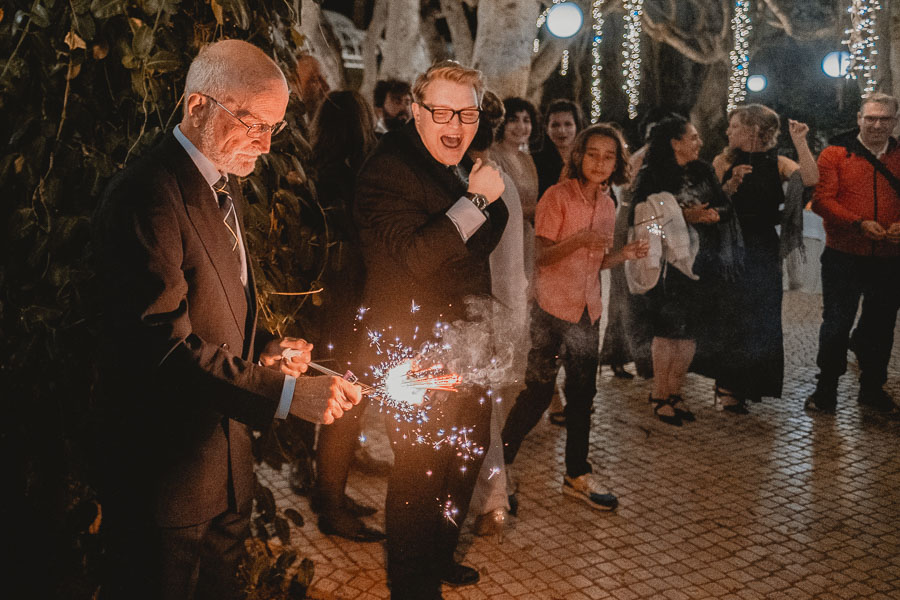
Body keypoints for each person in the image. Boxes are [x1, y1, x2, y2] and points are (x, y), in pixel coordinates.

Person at [92, 40, 362, 600]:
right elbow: (163, 349)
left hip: (227, 473)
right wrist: (287, 396)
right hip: (166, 481)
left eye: (276, 128)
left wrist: (263, 345)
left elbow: (215, 302)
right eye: (252, 123)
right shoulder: (146, 196)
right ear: (197, 106)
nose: (265, 145)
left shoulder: (222, 178)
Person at [353, 61, 508, 599]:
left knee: (467, 453)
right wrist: (478, 200)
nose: (456, 123)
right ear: (416, 111)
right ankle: (412, 587)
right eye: (441, 111)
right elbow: (420, 257)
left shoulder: (456, 162)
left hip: (465, 343)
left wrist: (477, 200)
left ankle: (438, 558)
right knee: (421, 475)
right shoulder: (389, 167)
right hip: (415, 352)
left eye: (466, 113)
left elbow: (481, 241)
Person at [501, 124, 649, 514]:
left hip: (587, 311)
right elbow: (543, 256)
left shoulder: (607, 203)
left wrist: (625, 255)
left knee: (584, 396)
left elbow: (597, 261)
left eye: (609, 156)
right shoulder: (557, 196)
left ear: (617, 163)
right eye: (593, 154)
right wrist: (580, 240)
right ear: (579, 156)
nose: (600, 162)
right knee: (536, 393)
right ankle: (498, 464)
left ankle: (576, 474)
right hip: (550, 310)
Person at [307, 90, 385, 542]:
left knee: (341, 406)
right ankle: (331, 507)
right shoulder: (348, 178)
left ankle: (329, 493)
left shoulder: (320, 172)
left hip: (331, 306)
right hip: (349, 306)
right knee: (344, 408)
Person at [629, 115, 741, 426]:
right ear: (675, 142)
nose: (699, 142)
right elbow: (639, 218)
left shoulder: (703, 170)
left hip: (703, 261)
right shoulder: (653, 176)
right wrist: (684, 217)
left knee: (690, 333)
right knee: (667, 332)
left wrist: (713, 216)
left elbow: (724, 205)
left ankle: (676, 392)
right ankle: (660, 393)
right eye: (692, 137)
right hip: (668, 266)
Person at [712, 105, 818, 413]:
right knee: (731, 316)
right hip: (730, 246)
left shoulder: (778, 163)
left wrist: (800, 143)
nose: (728, 131)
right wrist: (729, 185)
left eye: (734, 126)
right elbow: (710, 200)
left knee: (762, 316)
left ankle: (753, 383)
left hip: (762, 246)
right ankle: (727, 386)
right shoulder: (723, 160)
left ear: (754, 130)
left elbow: (810, 179)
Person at [806, 92, 900, 414]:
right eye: (870, 117)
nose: (876, 124)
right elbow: (822, 200)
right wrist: (859, 223)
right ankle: (826, 389)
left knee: (881, 325)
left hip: (890, 258)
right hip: (843, 255)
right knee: (836, 323)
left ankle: (872, 388)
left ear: (894, 123)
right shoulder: (835, 154)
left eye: (884, 119)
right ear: (859, 118)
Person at [466, 91, 528, 539]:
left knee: (478, 412)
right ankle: (489, 497)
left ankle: (490, 498)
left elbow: (506, 262)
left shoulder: (484, 180)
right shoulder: (493, 174)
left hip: (475, 313)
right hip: (488, 312)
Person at [492, 96, 540, 283]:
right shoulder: (493, 156)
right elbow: (498, 205)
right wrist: (540, 210)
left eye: (526, 120)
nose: (521, 126)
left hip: (526, 238)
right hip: (502, 238)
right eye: (513, 120)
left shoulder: (527, 159)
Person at [533, 99, 583, 198]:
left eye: (568, 124)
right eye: (555, 125)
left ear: (577, 127)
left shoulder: (586, 159)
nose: (562, 130)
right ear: (547, 129)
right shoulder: (535, 161)